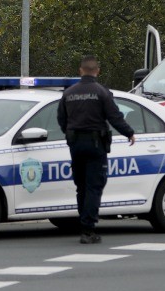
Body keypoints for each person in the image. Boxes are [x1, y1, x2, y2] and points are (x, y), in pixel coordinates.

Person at [57, 56, 135, 244]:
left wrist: (70, 134)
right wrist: (129, 133)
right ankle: (88, 229)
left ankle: (83, 223)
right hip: (95, 145)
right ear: (97, 71)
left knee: (81, 186)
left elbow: (61, 119)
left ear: (81, 70)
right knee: (94, 186)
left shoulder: (69, 93)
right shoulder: (102, 92)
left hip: (75, 145)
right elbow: (115, 117)